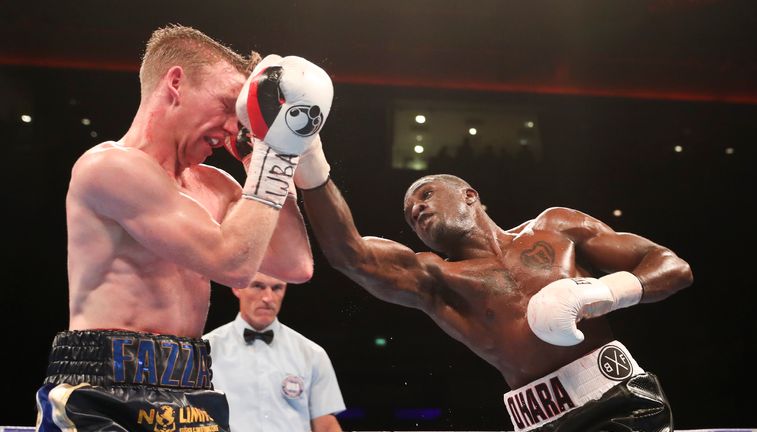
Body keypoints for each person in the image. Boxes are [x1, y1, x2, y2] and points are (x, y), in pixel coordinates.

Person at [35, 24, 333, 432]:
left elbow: (295, 263)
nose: (235, 127)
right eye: (229, 106)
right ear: (175, 83)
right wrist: (275, 155)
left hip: (192, 389)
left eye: (244, 118)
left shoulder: (217, 185)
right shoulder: (108, 168)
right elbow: (231, 263)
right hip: (102, 388)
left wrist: (257, 158)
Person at [296, 147, 693, 431]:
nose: (416, 209)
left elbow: (672, 266)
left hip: (621, 399)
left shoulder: (556, 226)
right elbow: (352, 256)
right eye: (410, 213)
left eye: (426, 194)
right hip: (543, 419)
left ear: (469, 195)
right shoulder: (434, 277)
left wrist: (604, 293)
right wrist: (311, 162)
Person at [205, 272, 346, 432]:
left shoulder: (312, 354)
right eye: (258, 286)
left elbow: (325, 426)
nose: (268, 298)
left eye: (277, 288)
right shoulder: (207, 350)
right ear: (237, 288)